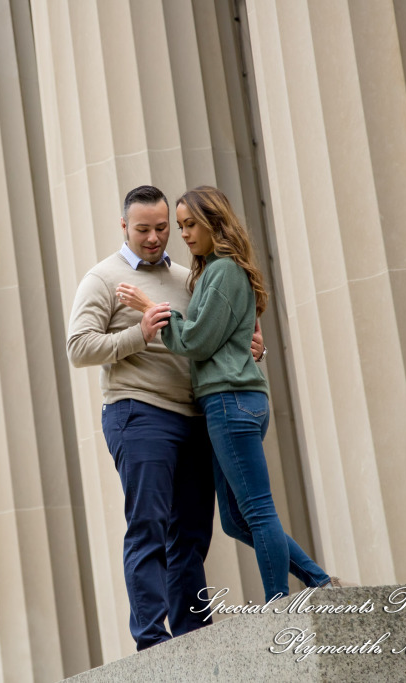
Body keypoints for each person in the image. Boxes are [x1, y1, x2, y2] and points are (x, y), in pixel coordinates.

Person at [116, 185, 339, 603]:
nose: (182, 234)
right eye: (179, 226)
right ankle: (318, 579)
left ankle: (279, 602)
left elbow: (195, 343)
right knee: (236, 520)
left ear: (214, 223)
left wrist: (151, 307)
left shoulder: (222, 271)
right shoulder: (217, 271)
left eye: (189, 225)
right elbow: (232, 339)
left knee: (255, 510)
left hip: (229, 402)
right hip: (232, 402)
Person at [66, 185, 265, 650]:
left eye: (162, 229)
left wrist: (254, 349)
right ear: (124, 227)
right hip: (138, 413)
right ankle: (153, 642)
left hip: (195, 415)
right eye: (143, 230)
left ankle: (192, 637)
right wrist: (138, 334)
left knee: (192, 534)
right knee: (149, 526)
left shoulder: (187, 277)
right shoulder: (103, 279)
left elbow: (210, 335)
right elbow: (78, 347)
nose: (154, 238)